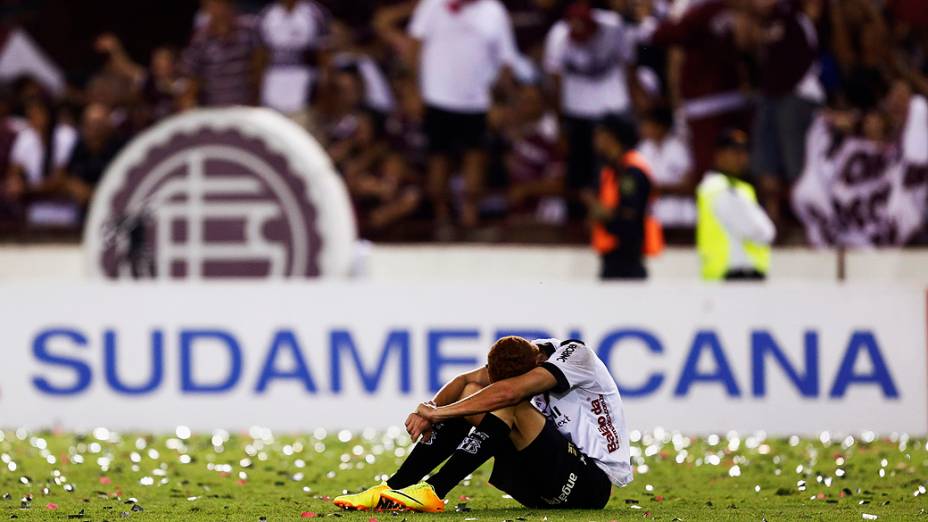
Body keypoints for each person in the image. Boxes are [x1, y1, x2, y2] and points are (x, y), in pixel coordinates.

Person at [333, 336, 631, 512]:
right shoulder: (528, 355)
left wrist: (440, 415)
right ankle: (394, 487)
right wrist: (430, 409)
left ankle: (434, 490)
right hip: (538, 487)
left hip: (588, 486)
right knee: (470, 394)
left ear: (538, 363)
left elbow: (510, 392)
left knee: (506, 402)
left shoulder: (576, 356)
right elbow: (466, 381)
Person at [407, 0, 521, 230]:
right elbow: (414, 45)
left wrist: (501, 101)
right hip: (437, 97)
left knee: (475, 160)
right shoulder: (432, 5)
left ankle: (470, 217)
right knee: (438, 160)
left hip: (477, 101)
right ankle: (442, 218)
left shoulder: (493, 10)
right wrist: (414, 89)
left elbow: (506, 59)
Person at [544, 1, 636, 206]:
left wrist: (634, 104)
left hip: (614, 106)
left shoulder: (613, 27)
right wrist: (560, 125)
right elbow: (555, 83)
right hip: (577, 110)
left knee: (618, 166)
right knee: (580, 175)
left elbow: (629, 66)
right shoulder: (558, 35)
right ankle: (579, 224)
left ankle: (624, 211)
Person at [696, 129, 775, 280]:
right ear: (719, 155)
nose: (741, 158)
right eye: (734, 153)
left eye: (744, 153)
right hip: (735, 275)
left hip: (728, 275)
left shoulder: (738, 187)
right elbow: (763, 232)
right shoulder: (719, 188)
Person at [585, 115, 655, 280]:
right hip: (611, 257)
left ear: (611, 137)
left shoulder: (631, 171)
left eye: (599, 134)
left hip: (627, 260)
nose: (595, 140)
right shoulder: (610, 169)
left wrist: (600, 211)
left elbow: (629, 214)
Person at [180, 0, 262, 108]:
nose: (218, 10)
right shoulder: (200, 39)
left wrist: (256, 100)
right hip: (214, 110)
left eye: (221, 4)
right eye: (212, 5)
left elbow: (261, 66)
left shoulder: (249, 29)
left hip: (245, 108)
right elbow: (190, 76)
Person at [257, 0, 331, 114]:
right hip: (273, 85)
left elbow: (324, 55)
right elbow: (260, 57)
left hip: (304, 86)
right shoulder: (266, 14)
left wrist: (323, 88)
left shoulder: (314, 13)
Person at [638, 105, 695, 229]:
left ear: (661, 127)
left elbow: (688, 186)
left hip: (681, 215)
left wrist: (657, 189)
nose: (644, 129)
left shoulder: (678, 148)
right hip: (653, 214)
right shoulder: (643, 149)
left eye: (648, 125)